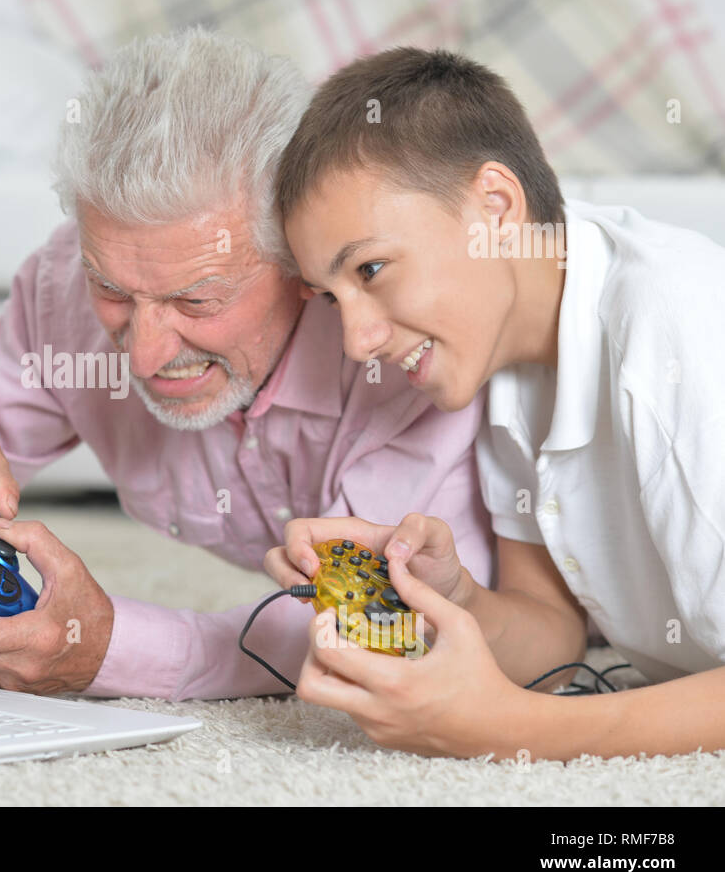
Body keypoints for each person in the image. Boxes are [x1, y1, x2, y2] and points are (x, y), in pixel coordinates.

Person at [0, 29, 493, 700]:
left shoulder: (399, 351)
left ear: (303, 261)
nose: (145, 354)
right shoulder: (65, 284)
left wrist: (110, 647)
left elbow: (380, 625)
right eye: (113, 291)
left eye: (197, 298)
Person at [269, 46, 725, 758]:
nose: (356, 340)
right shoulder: (506, 361)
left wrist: (513, 731)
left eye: (372, 268)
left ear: (496, 207)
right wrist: (446, 597)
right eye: (333, 297)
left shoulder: (674, 324)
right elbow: (553, 632)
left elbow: (526, 713)